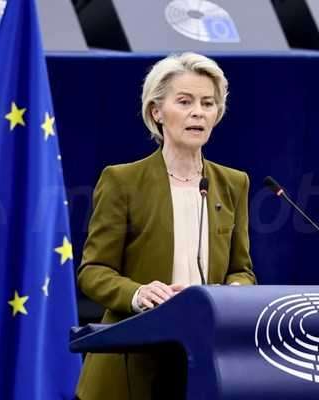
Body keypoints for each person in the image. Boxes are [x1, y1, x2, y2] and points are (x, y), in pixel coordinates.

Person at [75, 52, 257, 400]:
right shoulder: (122, 181)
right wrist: (138, 293)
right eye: (185, 102)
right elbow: (94, 271)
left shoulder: (234, 183)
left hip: (204, 360)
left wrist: (234, 292)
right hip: (133, 362)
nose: (198, 112)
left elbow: (242, 269)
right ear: (156, 112)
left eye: (208, 103)